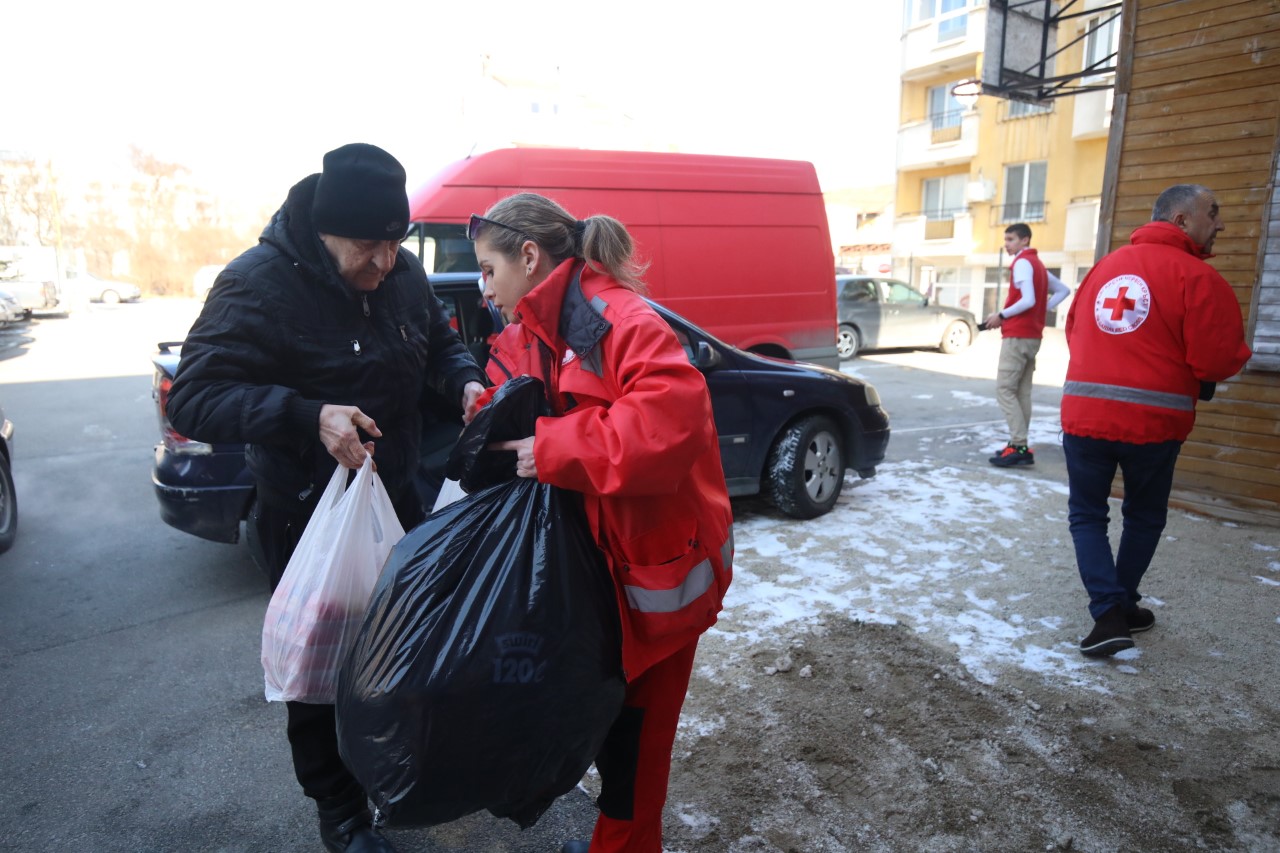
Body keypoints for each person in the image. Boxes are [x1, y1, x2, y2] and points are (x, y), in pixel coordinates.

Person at [166, 143, 487, 852]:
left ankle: (391, 769)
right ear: (324, 230)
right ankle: (339, 811)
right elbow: (194, 397)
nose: (384, 263)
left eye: (394, 244)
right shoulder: (257, 283)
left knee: (396, 651)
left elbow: (439, 343)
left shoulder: (401, 273)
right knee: (322, 668)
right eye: (368, 247)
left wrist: (463, 381)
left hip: (396, 499)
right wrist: (306, 414)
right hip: (310, 513)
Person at [467, 193, 734, 853]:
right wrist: (484, 407)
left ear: (529, 257)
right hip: (595, 588)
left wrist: (552, 448)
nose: (484, 286)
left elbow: (672, 420)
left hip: (655, 594)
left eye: (487, 269)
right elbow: (518, 399)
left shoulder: (612, 318)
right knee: (596, 746)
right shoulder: (535, 329)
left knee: (631, 774)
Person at [1061, 184, 1251, 657]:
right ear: (1183, 221)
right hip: (1154, 425)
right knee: (1143, 516)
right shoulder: (1198, 278)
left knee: (1087, 515)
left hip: (1084, 416)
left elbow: (1073, 333)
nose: (1220, 224)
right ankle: (1117, 608)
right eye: (1213, 212)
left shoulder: (1103, 269)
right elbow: (1217, 360)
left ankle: (1111, 613)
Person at [984, 223, 1071, 467]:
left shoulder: (1022, 263)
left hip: (1017, 336)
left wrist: (1001, 315)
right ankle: (1019, 445)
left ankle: (1019, 444)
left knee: (1005, 389)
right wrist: (1041, 311)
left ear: (1024, 241)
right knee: (1021, 391)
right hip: (1033, 336)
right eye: (1006, 239)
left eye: (1011, 239)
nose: (1007, 243)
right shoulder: (1039, 266)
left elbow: (1028, 299)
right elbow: (1063, 290)